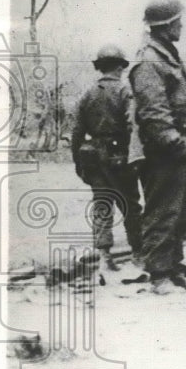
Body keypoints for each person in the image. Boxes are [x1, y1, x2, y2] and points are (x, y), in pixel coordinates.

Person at [129, 0, 186, 294]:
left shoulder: (166, 55)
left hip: (181, 145)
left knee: (181, 211)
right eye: (178, 21)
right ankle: (159, 273)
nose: (181, 26)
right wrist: (177, 143)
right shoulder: (149, 63)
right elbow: (154, 115)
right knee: (163, 211)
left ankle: (174, 265)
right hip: (163, 151)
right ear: (165, 26)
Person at [71, 45, 143, 270]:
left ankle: (104, 258)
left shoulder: (87, 94)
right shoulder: (125, 92)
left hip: (93, 158)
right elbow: (132, 127)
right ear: (121, 67)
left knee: (102, 205)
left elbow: (76, 133)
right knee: (131, 206)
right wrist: (136, 157)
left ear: (100, 67)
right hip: (120, 156)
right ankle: (138, 254)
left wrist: (78, 162)